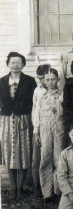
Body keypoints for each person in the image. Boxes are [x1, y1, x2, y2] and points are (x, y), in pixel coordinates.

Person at [0, 52, 37, 199]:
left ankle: (20, 188)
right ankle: (12, 187)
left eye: (18, 62)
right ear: (8, 64)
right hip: (7, 120)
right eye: (12, 62)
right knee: (9, 152)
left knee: (23, 153)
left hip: (24, 119)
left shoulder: (30, 81)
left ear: (23, 64)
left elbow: (34, 103)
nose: (15, 65)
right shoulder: (1, 81)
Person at [33, 68, 65, 199]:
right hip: (44, 129)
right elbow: (36, 115)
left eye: (53, 79)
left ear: (57, 80)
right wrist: (36, 132)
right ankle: (47, 193)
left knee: (59, 158)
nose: (50, 82)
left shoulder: (61, 95)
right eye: (47, 80)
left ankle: (59, 192)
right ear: (43, 81)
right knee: (45, 158)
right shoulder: (41, 96)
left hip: (59, 128)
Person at [31, 64, 51, 198]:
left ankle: (51, 188)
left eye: (44, 78)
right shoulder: (37, 91)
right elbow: (35, 111)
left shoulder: (58, 90)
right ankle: (37, 188)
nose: (42, 81)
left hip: (53, 128)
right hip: (39, 128)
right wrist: (36, 131)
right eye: (39, 79)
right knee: (37, 159)